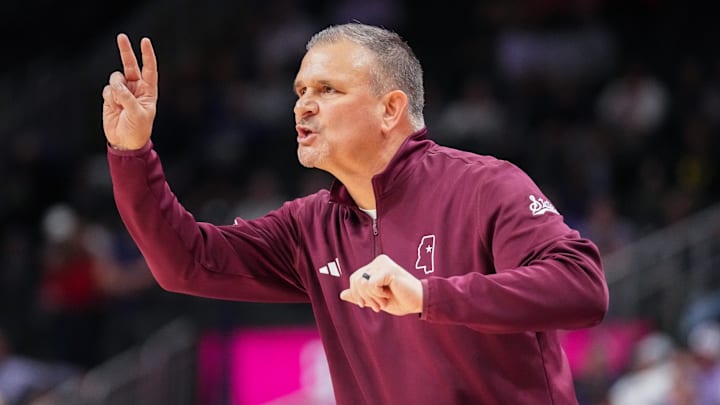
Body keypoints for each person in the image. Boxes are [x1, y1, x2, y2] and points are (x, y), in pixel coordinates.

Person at [101, 22, 609, 404]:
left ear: (391, 109)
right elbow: (184, 262)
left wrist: (429, 296)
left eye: (327, 90)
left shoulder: (483, 185)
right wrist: (132, 153)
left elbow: (582, 286)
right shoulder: (308, 227)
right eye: (300, 92)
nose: (302, 106)